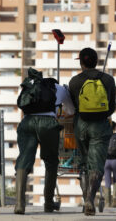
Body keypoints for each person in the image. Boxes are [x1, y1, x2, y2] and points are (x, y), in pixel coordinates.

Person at [14, 69, 75, 214]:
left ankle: (19, 204)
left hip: (27, 122)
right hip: (48, 124)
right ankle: (48, 203)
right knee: (51, 161)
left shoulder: (29, 85)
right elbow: (71, 111)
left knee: (24, 160)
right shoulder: (60, 88)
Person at [69, 47, 116, 216]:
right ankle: (90, 198)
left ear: (81, 62)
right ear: (96, 61)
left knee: (83, 162)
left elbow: (74, 106)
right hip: (100, 126)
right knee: (96, 165)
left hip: (81, 125)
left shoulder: (74, 82)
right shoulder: (108, 80)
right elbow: (112, 107)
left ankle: (85, 199)